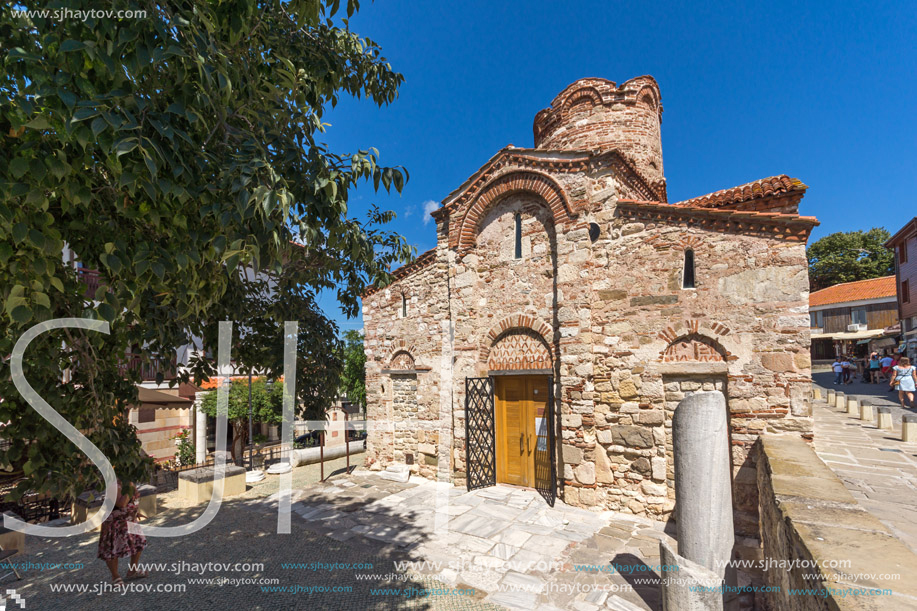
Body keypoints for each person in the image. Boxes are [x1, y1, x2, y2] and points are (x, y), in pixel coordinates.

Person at [98, 481, 148, 585]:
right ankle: (115, 576)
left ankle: (133, 570)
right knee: (113, 548)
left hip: (129, 518)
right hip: (115, 522)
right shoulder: (113, 485)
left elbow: (132, 499)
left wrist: (134, 511)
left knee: (138, 543)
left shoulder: (129, 482)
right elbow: (121, 503)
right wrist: (129, 487)